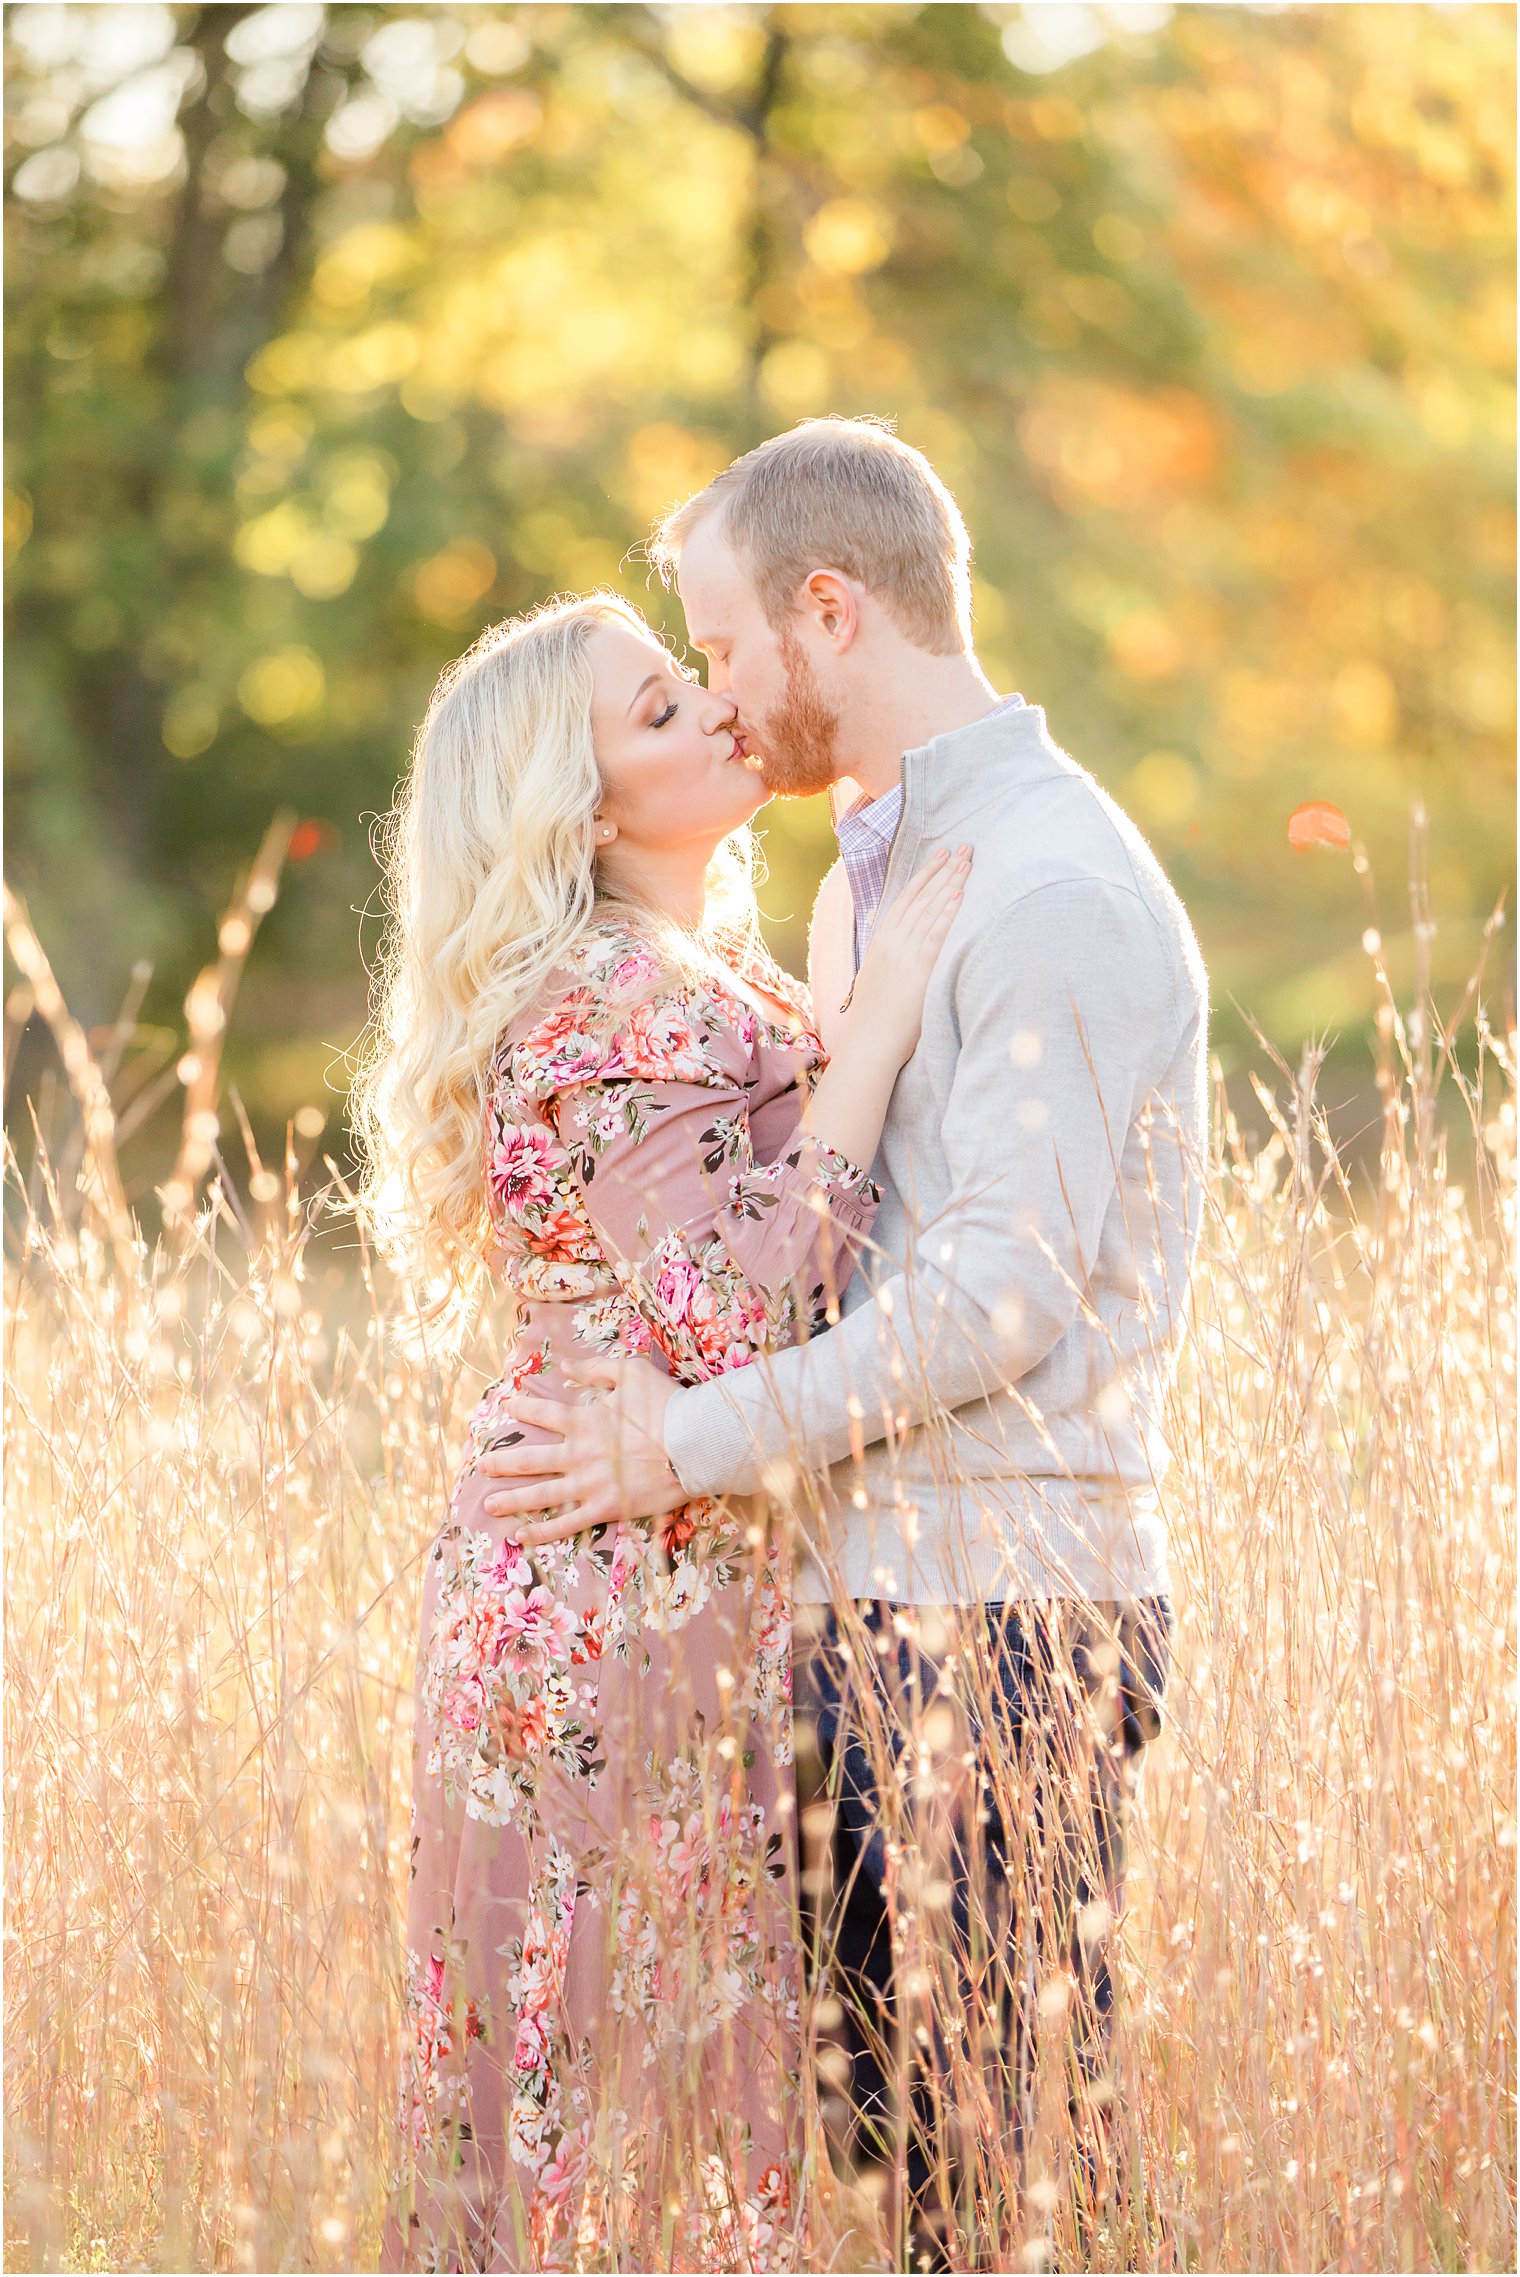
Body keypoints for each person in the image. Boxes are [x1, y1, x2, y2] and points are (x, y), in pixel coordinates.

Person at [478, 419, 1210, 2266]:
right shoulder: (871, 877)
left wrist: (679, 1441)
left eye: (722, 645)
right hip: (868, 1613)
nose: (719, 693)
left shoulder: (1044, 882)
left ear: (829, 610)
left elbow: (995, 1297)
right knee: (908, 2186)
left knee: (1003, 2194)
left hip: (1001, 1620)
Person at [357, 587, 970, 2273]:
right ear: (581, 804)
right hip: (598, 1605)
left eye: (689, 682)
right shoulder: (611, 998)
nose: (710, 711)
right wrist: (887, 1024)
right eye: (653, 714)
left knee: (666, 2077)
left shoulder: (691, 972)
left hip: (671, 1583)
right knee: (594, 2084)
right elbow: (740, 1318)